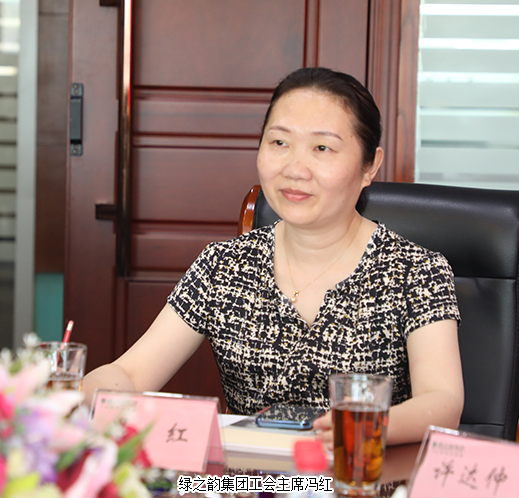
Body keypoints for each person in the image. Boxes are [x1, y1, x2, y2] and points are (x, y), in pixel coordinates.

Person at [82, 67, 464, 446]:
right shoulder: (224, 265)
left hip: (358, 472)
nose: (295, 169)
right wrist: (82, 395)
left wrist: (353, 427)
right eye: (279, 142)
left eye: (322, 148)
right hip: (247, 475)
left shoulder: (416, 272)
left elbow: (442, 401)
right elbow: (130, 374)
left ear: (370, 166)